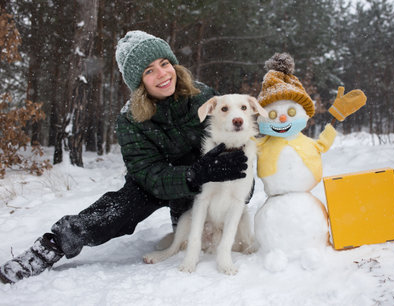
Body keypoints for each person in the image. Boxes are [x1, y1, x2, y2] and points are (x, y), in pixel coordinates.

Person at [0, 30, 249, 284]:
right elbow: (148, 174)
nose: (162, 74)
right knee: (120, 208)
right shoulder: (130, 119)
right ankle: (52, 246)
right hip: (159, 183)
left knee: (237, 187)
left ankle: (183, 214)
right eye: (149, 71)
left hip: (202, 184)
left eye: (164, 64)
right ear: (139, 82)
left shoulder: (203, 97)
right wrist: (191, 174)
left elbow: (235, 131)